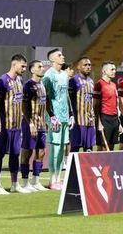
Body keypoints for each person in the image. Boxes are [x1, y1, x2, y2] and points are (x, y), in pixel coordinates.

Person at [0, 54, 27, 194]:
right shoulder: (2, 81)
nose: (24, 69)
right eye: (22, 66)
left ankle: (15, 184)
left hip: (16, 126)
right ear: (14, 64)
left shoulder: (20, 80)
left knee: (15, 154)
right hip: (5, 126)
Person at [43, 49, 72, 189]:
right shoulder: (48, 76)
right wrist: (52, 116)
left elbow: (66, 96)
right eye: (59, 55)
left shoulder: (64, 75)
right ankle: (51, 179)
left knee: (62, 148)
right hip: (54, 117)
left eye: (62, 54)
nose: (63, 56)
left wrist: (71, 114)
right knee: (55, 148)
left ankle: (58, 178)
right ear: (52, 60)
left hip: (65, 116)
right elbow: (46, 97)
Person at [20, 60, 49, 192]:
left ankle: (36, 181)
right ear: (32, 70)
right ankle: (25, 182)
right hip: (30, 124)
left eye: (42, 67)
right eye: (39, 67)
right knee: (27, 151)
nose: (42, 69)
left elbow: (46, 102)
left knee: (41, 152)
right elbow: (24, 106)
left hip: (41, 124)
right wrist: (30, 123)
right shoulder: (28, 85)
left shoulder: (42, 84)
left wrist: (51, 117)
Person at [69, 57, 95, 153]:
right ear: (78, 67)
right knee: (75, 147)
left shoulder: (91, 81)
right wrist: (72, 116)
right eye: (85, 65)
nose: (88, 67)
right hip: (78, 121)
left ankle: (87, 168)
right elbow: (70, 101)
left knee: (89, 148)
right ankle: (72, 168)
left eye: (89, 65)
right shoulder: (73, 80)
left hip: (90, 121)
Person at [94, 61, 121, 151]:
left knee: (112, 146)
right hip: (104, 118)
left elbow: (115, 104)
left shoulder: (113, 85)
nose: (114, 71)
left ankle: (109, 164)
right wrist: (99, 122)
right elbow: (95, 105)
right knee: (103, 147)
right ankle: (99, 164)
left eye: (115, 69)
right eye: (112, 69)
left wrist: (119, 122)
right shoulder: (99, 84)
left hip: (114, 119)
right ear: (104, 71)